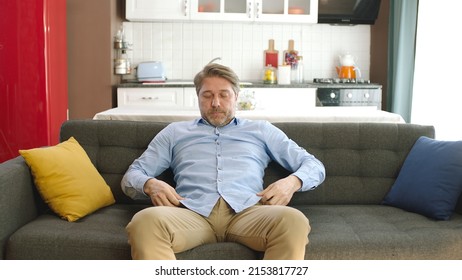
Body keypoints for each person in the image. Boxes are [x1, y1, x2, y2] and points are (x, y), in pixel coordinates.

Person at [121, 63, 325, 260]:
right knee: (144, 222)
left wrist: (292, 182)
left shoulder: (261, 130)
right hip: (191, 214)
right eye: (207, 95)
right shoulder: (174, 132)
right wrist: (149, 184)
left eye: (223, 95)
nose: (216, 103)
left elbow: (314, 166)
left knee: (294, 221)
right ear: (198, 98)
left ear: (236, 97)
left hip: (249, 214)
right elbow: (132, 175)